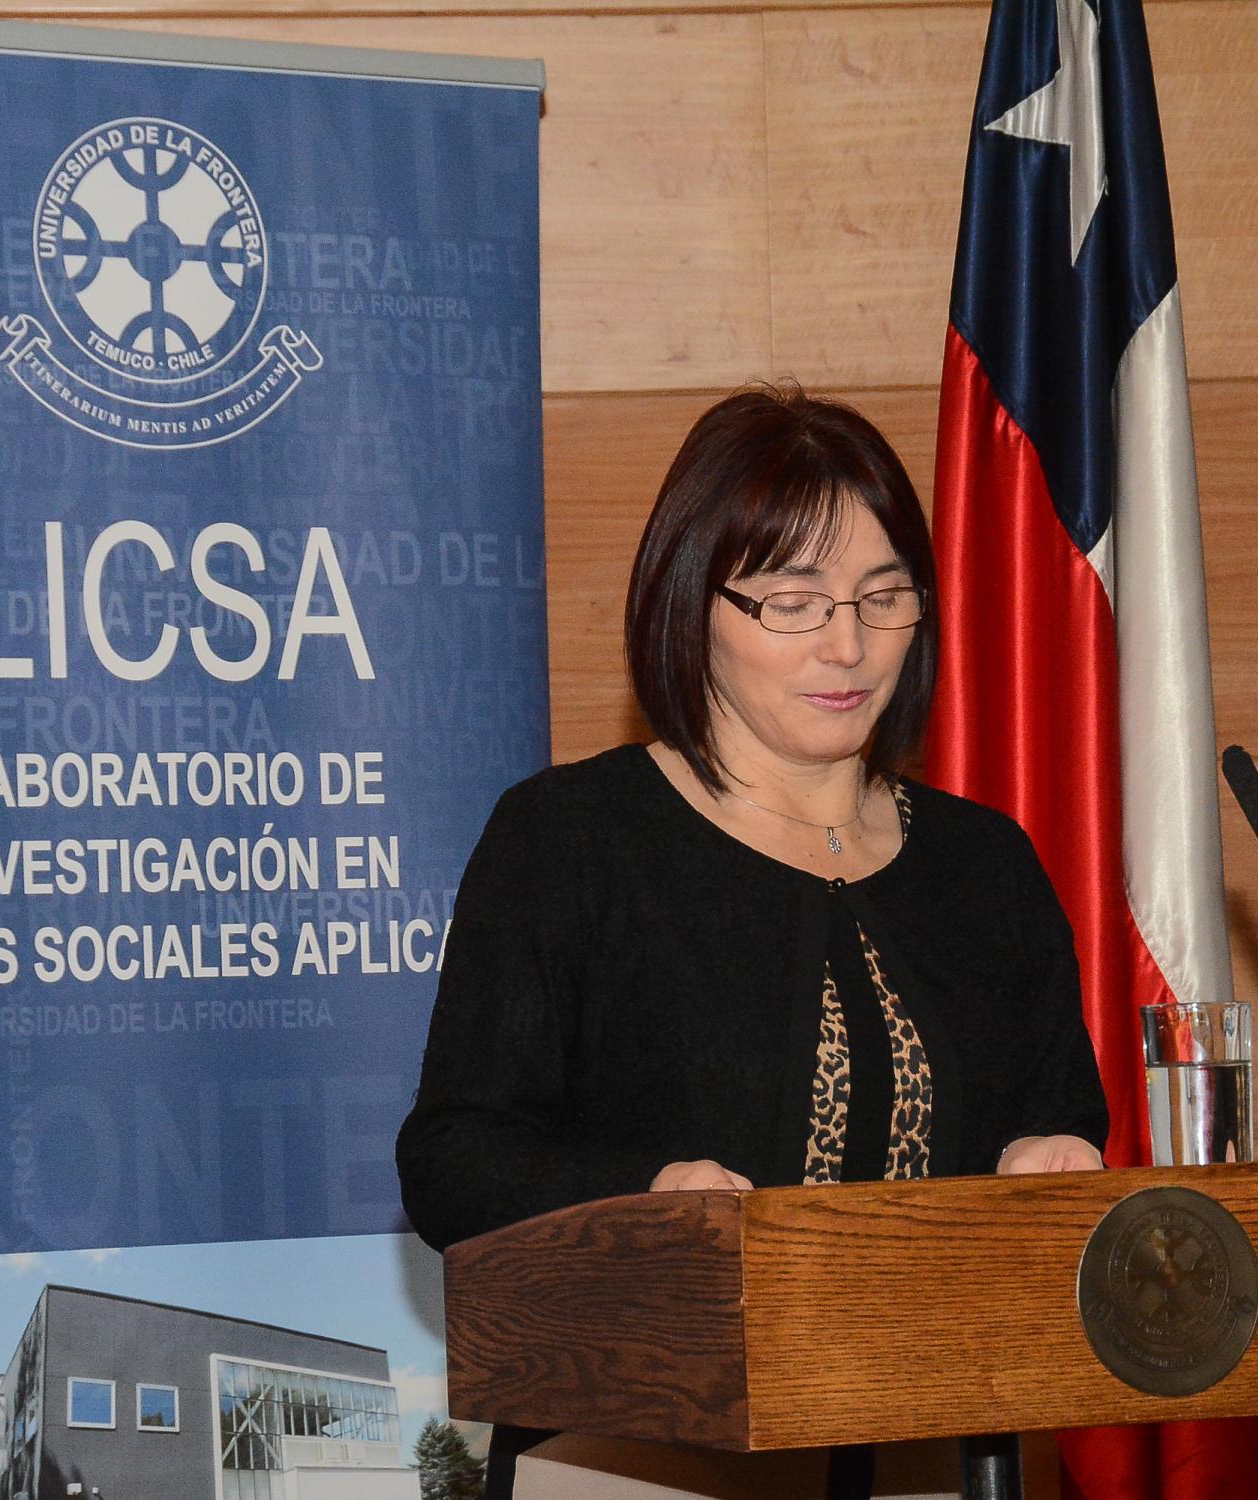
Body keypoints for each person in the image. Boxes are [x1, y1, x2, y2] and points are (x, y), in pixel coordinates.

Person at [396, 383, 1106, 1495]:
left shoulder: (986, 865)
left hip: (935, 1445)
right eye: (794, 602)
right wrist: (645, 1192)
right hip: (643, 1454)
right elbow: (452, 1160)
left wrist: (1043, 1158)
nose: (849, 645)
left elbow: (1060, 1113)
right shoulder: (573, 840)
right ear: (694, 605)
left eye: (884, 597)